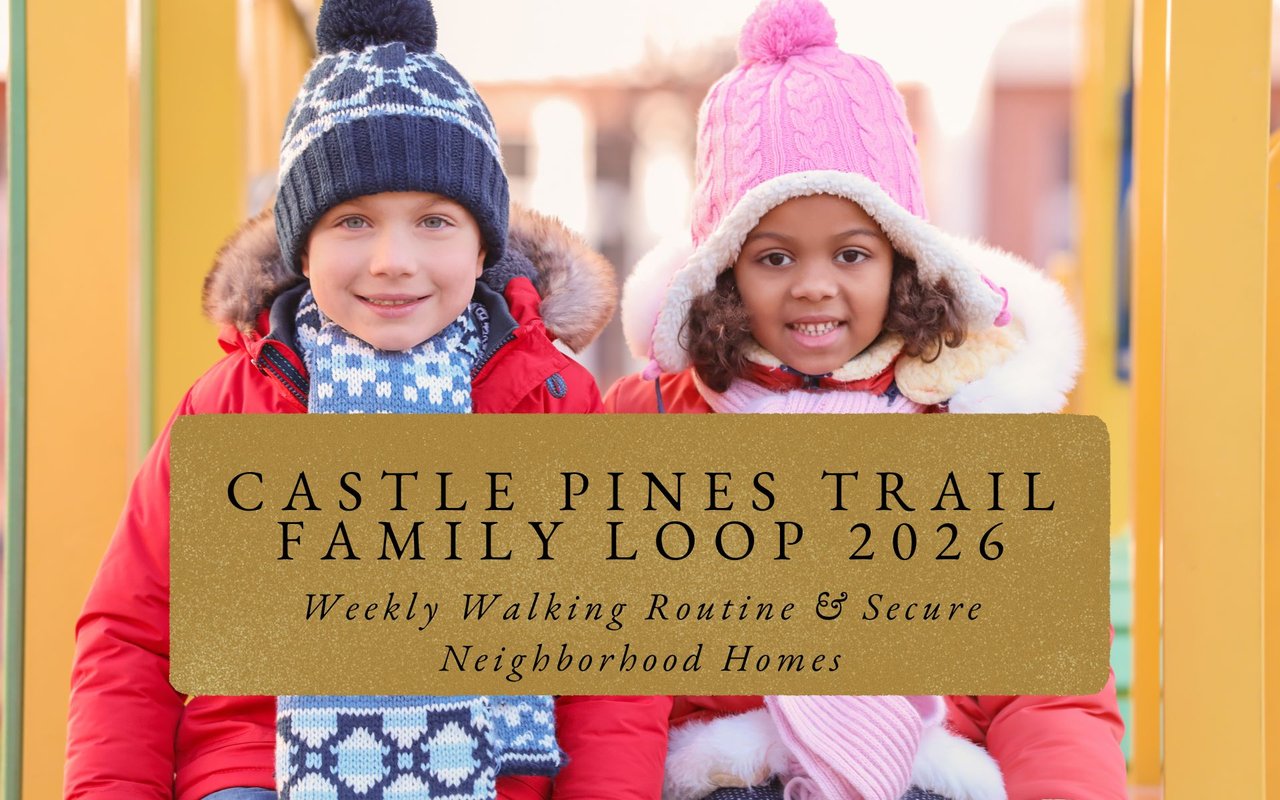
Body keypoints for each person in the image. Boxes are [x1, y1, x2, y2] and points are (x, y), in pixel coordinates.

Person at [65, 1, 667, 798]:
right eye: (352, 221)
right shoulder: (235, 407)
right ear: (301, 247)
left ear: (483, 247)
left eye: (433, 221)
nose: (392, 260)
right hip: (260, 771)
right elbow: (132, 637)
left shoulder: (549, 403)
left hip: (495, 774)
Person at [605, 1, 1126, 799]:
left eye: (851, 254)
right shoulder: (653, 421)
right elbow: (614, 677)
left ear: (903, 261)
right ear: (724, 273)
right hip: (728, 780)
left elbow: (1048, 691)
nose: (815, 285)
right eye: (774, 257)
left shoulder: (981, 423)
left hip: (929, 777)